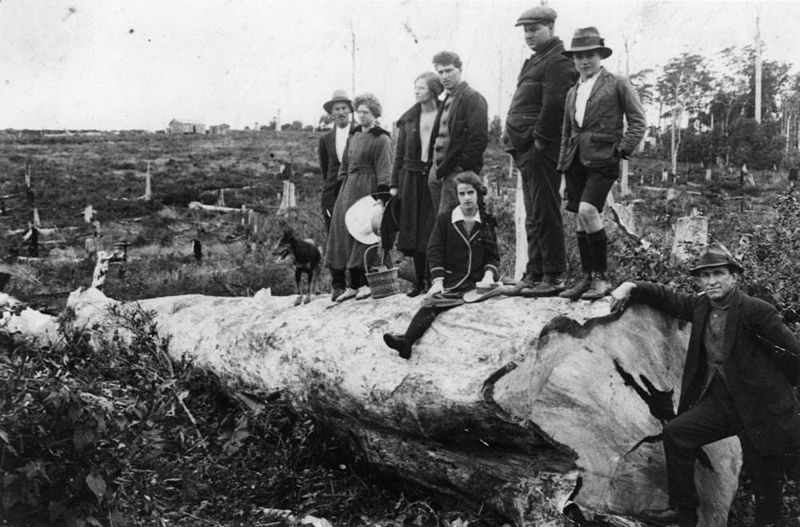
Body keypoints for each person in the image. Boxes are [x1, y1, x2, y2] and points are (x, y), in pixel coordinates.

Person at [610, 243, 800, 527]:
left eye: (718, 274)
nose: (711, 281)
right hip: (722, 404)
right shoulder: (700, 306)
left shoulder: (756, 311)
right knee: (677, 432)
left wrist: (779, 399)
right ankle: (684, 511)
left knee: (766, 482)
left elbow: (793, 355)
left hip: (762, 410)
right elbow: (667, 297)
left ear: (734, 277)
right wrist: (631, 286)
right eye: (705, 276)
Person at [557, 27, 645, 300]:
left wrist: (621, 150)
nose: (584, 61)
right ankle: (586, 278)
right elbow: (566, 133)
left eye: (590, 55)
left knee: (588, 210)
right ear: (573, 60)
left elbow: (638, 121)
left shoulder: (617, 83)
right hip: (575, 161)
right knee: (581, 219)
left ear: (600, 56)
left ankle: (602, 278)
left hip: (604, 160)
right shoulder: (573, 91)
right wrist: (562, 172)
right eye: (579, 56)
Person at [383, 171, 499, 359]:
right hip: (452, 281)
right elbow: (434, 251)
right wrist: (438, 281)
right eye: (462, 194)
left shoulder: (486, 222)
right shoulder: (446, 220)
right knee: (432, 302)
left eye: (470, 193)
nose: (466, 198)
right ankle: (406, 341)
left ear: (478, 194)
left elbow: (493, 256)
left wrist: (488, 275)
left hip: (477, 283)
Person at [505, 6, 577, 296]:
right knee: (533, 213)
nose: (528, 35)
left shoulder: (559, 60)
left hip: (540, 149)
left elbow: (555, 106)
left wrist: (538, 141)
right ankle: (534, 273)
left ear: (551, 27)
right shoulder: (537, 60)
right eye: (525, 30)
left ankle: (554, 275)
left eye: (534, 29)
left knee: (545, 211)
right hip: (525, 149)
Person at [325, 93, 394, 302]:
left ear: (375, 114)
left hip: (368, 189)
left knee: (364, 234)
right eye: (360, 112)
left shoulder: (381, 138)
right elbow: (345, 165)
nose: (362, 116)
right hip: (348, 190)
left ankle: (366, 283)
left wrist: (381, 198)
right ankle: (353, 285)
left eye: (366, 112)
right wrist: (341, 188)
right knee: (345, 233)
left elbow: (385, 169)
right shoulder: (353, 136)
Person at [391, 72, 444, 297]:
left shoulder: (444, 114)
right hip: (411, 179)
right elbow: (399, 154)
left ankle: (436, 280)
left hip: (434, 177)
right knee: (413, 230)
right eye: (415, 87)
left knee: (432, 228)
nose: (416, 91)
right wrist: (395, 184)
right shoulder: (409, 119)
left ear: (432, 90)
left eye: (421, 87)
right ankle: (418, 281)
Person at [428, 51, 489, 214]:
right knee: (442, 222)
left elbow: (479, 139)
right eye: (440, 72)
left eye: (449, 70)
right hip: (438, 171)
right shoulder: (446, 99)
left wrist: (462, 169)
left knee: (455, 221)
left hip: (456, 172)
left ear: (460, 70)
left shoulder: (473, 98)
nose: (444, 76)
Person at [318, 90, 354, 233]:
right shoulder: (326, 139)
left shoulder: (359, 133)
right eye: (337, 109)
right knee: (333, 231)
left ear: (350, 111)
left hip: (354, 188)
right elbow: (325, 168)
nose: (341, 112)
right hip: (332, 191)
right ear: (332, 113)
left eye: (344, 108)